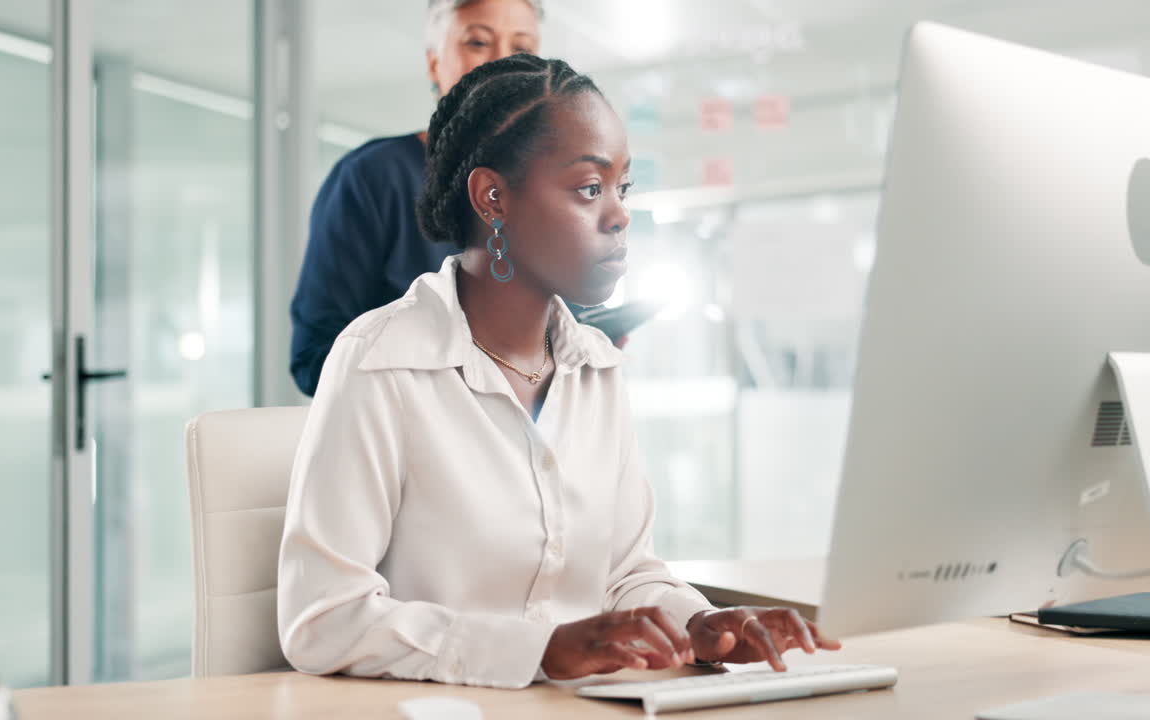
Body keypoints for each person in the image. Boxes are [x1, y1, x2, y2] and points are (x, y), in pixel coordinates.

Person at [276, 54, 840, 688]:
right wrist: (539, 650)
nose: (620, 214)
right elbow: (322, 620)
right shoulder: (380, 359)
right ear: (493, 197)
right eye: (589, 188)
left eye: (622, 188)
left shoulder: (596, 367)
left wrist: (702, 626)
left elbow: (628, 572)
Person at [289, 0, 544, 396]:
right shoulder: (373, 176)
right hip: (408, 448)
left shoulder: (545, 189)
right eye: (477, 42)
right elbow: (315, 358)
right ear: (433, 63)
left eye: (522, 50)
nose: (502, 65)